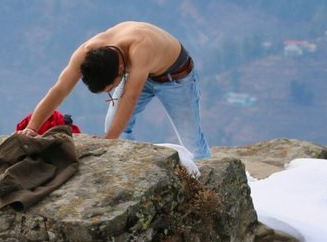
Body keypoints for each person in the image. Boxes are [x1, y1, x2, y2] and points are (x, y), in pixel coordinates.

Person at [23, 20, 211, 159]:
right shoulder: (88, 51)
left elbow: (130, 97)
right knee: (115, 126)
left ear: (120, 70)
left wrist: (108, 142)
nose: (110, 92)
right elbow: (59, 89)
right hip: (139, 73)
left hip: (176, 77)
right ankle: (129, 162)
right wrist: (32, 127)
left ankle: (211, 189)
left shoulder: (140, 47)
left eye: (110, 89)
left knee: (192, 141)